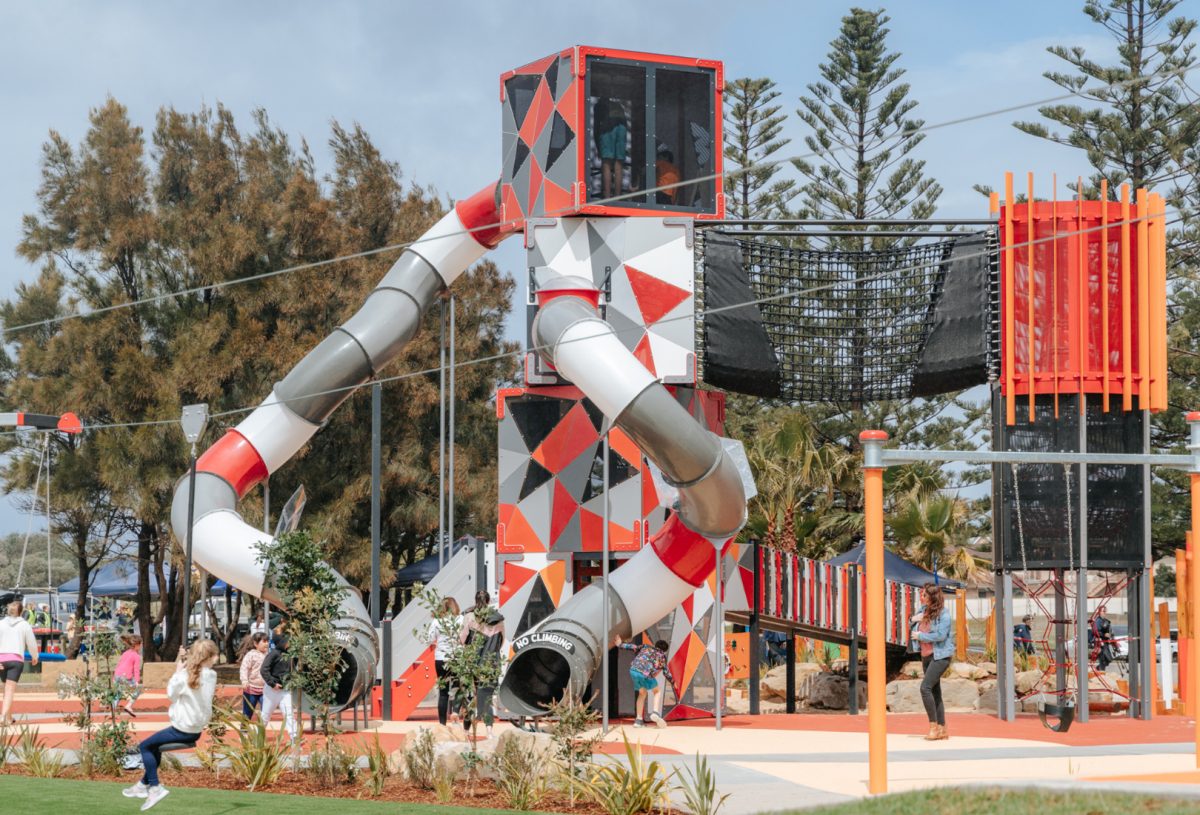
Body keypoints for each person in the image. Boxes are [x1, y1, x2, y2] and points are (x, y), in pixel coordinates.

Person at [123, 639, 219, 810]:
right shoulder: (212, 675)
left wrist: (177, 671)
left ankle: (155, 787)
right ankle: (141, 785)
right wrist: (184, 662)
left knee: (144, 746)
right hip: (195, 729)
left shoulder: (183, 676)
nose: (217, 658)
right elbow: (197, 673)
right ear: (209, 657)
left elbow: (171, 695)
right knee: (154, 747)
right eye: (215, 655)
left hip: (182, 729)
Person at [911, 582, 955, 741]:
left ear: (932, 597)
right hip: (926, 655)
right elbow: (913, 624)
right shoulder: (923, 610)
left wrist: (921, 637)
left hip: (940, 656)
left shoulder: (944, 614)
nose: (922, 598)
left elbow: (941, 636)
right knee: (935, 691)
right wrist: (913, 618)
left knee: (925, 688)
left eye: (925, 595)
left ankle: (933, 727)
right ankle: (942, 729)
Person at [460, 590, 505, 739]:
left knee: (470, 697)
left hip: (473, 661)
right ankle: (489, 731)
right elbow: (502, 639)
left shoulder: (469, 617)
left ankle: (466, 731)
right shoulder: (498, 618)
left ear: (475, 599)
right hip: (491, 661)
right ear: (488, 600)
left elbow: (462, 638)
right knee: (486, 697)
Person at [617, 636, 674, 728]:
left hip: (633, 670)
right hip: (645, 673)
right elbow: (666, 673)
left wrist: (620, 644)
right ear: (665, 651)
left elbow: (633, 647)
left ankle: (638, 721)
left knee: (642, 693)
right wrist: (673, 683)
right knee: (657, 691)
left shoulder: (646, 647)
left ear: (655, 645)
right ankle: (655, 712)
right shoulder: (662, 656)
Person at [1, 600, 38, 726]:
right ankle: (3, 716)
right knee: (9, 690)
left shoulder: (1, 623)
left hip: (2, 659)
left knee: (6, 690)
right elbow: (31, 643)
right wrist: (35, 656)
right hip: (16, 659)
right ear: (21, 611)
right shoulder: (24, 625)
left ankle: (8, 717)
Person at [427, 597, 461, 726]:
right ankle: (456, 714)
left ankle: (442, 724)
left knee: (443, 692)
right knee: (459, 688)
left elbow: (429, 639)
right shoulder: (461, 619)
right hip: (457, 658)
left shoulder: (436, 621)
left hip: (441, 659)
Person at [259, 633, 297, 742]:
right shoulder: (274, 654)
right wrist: (272, 684)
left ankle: (294, 737)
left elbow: (295, 667)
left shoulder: (291, 654)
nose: (289, 643)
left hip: (285, 690)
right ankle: (258, 735)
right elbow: (263, 670)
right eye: (287, 641)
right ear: (281, 643)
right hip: (272, 690)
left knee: (289, 713)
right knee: (266, 714)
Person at [594, 99, 627, 199]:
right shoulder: (618, 105)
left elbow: (596, 126)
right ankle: (617, 195)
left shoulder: (600, 105)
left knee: (607, 163)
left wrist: (598, 147)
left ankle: (607, 196)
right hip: (621, 127)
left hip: (607, 128)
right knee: (618, 164)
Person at [238, 633, 269, 720]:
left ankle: (261, 731)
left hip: (265, 690)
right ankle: (244, 731)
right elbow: (244, 668)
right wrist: (244, 681)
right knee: (247, 713)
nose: (267, 643)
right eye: (264, 641)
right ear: (256, 644)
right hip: (251, 690)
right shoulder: (251, 655)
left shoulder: (268, 655)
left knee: (265, 713)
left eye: (267, 641)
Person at [113, 634, 144, 717]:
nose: (141, 646)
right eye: (141, 644)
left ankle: (113, 711)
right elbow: (136, 669)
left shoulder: (125, 653)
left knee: (118, 693)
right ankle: (129, 705)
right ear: (136, 645)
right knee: (139, 689)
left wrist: (114, 678)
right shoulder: (136, 656)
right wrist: (137, 681)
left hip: (117, 675)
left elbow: (119, 664)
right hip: (126, 677)